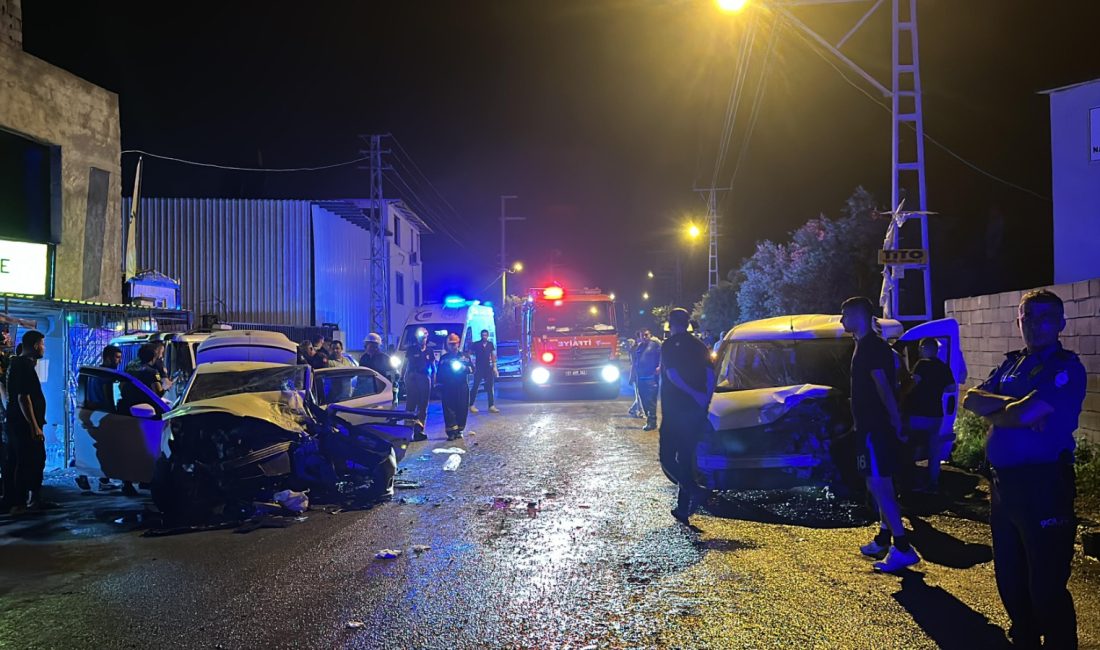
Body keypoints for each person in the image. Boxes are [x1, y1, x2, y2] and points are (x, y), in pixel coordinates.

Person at [962, 289, 1085, 649]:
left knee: (1045, 587)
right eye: (1027, 317)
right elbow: (971, 398)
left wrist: (1007, 413)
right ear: (1019, 321)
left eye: (1046, 317)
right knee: (1011, 581)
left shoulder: (1065, 368)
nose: (1035, 325)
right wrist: (1015, 410)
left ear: (1061, 323)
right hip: (1004, 488)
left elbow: (1025, 414)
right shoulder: (1011, 363)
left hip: (1044, 487)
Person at [841, 296, 919, 573]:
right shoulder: (870, 346)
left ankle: (902, 547)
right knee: (879, 484)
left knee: (879, 485)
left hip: (876, 427)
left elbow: (884, 387)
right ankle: (884, 538)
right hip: (871, 426)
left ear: (859, 316)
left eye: (845, 315)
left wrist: (895, 421)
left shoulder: (870, 348)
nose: (842, 321)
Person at [659, 309, 715, 525]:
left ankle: (694, 490)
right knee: (685, 459)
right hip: (695, 412)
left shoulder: (669, 345)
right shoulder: (699, 346)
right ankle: (683, 509)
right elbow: (710, 374)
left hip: (674, 412)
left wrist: (692, 394)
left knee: (667, 458)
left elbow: (672, 375)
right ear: (688, 323)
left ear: (670, 324)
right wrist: (705, 399)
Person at [900, 337, 956, 492]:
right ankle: (933, 483)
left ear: (925, 348)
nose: (919, 351)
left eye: (921, 348)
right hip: (936, 414)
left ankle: (910, 481)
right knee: (933, 451)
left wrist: (902, 394)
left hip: (917, 412)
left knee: (910, 447)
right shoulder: (944, 368)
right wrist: (935, 389)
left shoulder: (921, 365)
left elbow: (913, 383)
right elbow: (951, 388)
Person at [5, 330, 51, 514]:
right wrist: (34, 425)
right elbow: (23, 398)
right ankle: (21, 503)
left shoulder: (17, 364)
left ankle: (30, 500)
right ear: (34, 345)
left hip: (18, 423)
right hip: (24, 425)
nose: (43, 348)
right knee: (28, 461)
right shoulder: (23, 366)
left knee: (25, 461)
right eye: (42, 344)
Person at [438, 333, 473, 440]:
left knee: (462, 408)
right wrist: (439, 385)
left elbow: (472, 369)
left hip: (462, 386)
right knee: (449, 409)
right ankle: (451, 432)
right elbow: (439, 373)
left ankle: (459, 430)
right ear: (447, 345)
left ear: (458, 344)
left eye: (455, 344)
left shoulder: (465, 357)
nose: (453, 346)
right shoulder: (444, 358)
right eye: (450, 344)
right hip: (448, 387)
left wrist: (464, 368)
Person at [403, 327, 434, 442]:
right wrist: (403, 378)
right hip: (412, 378)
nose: (423, 339)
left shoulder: (429, 350)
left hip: (425, 378)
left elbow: (433, 366)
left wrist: (433, 380)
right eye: (421, 337)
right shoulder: (411, 349)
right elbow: (406, 365)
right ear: (417, 337)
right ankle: (407, 431)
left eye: (424, 337)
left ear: (427, 337)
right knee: (410, 405)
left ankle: (419, 430)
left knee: (423, 406)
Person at [635, 329, 661, 431]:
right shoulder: (640, 347)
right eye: (642, 336)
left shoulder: (655, 345)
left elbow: (662, 357)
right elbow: (636, 361)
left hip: (651, 378)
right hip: (640, 378)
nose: (644, 337)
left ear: (650, 335)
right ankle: (649, 418)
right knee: (643, 399)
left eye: (646, 335)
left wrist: (659, 366)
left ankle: (652, 422)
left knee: (651, 401)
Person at [468, 329, 499, 414]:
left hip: (487, 368)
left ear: (487, 336)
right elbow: (469, 353)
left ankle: (491, 405)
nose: (484, 336)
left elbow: (493, 355)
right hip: (479, 367)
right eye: (483, 335)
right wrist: (471, 363)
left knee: (490, 386)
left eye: (485, 335)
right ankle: (471, 405)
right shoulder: (476, 344)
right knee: (475, 386)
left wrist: (494, 367)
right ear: (481, 335)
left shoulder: (490, 344)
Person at [627, 331, 644, 419]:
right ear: (638, 338)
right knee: (639, 394)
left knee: (640, 395)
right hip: (636, 374)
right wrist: (631, 376)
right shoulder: (634, 349)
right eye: (641, 337)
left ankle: (633, 409)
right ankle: (641, 412)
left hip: (644, 374)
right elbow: (633, 363)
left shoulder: (644, 347)